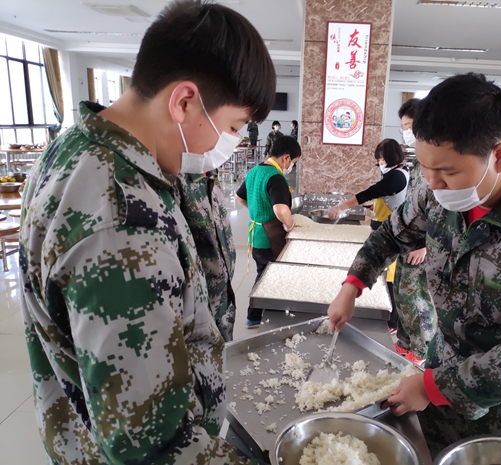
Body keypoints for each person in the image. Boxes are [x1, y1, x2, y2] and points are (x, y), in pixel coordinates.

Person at [19, 2, 275, 463]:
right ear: (184, 102)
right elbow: (150, 444)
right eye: (233, 127)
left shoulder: (75, 149)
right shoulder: (120, 217)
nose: (229, 144)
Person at [327, 73, 501, 456]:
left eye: (447, 172)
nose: (432, 183)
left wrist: (433, 387)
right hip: (446, 359)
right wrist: (352, 285)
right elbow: (392, 235)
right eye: (424, 168)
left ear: (499, 156)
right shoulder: (435, 186)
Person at [328, 139, 414, 334]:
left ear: (393, 156)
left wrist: (342, 206)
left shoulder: (397, 176)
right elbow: (387, 196)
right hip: (383, 228)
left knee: (390, 278)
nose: (380, 162)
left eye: (383, 158)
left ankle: (392, 321)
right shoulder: (396, 173)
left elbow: (371, 192)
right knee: (386, 274)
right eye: (379, 159)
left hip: (391, 233)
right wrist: (375, 205)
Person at [236, 136, 301, 328]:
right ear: (286, 158)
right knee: (267, 276)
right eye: (293, 162)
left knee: (263, 273)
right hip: (269, 238)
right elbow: (280, 210)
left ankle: (259, 315)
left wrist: (257, 211)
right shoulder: (275, 177)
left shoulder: (255, 171)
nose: (291, 167)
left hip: (256, 234)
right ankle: (255, 317)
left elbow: (239, 197)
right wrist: (290, 225)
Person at [393, 98, 436, 362]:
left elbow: (445, 215)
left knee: (417, 297)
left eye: (409, 126)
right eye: (403, 127)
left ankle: (421, 350)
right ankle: (405, 341)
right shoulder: (419, 164)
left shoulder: (436, 167)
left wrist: (426, 246)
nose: (406, 132)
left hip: (423, 246)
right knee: (401, 293)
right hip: (408, 241)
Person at [177, 171, 237, 342]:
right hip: (199, 304)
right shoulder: (178, 182)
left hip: (223, 293)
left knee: (226, 346)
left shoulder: (211, 177)